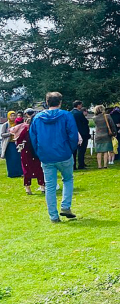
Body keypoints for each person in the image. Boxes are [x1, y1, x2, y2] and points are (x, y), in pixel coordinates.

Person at [29, 92, 79, 223]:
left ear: (46, 102)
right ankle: (65, 206)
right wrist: (70, 149)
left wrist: (38, 153)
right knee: (68, 179)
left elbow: (33, 138)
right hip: (64, 154)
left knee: (50, 186)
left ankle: (53, 216)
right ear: (60, 102)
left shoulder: (37, 118)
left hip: (46, 156)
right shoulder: (66, 115)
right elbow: (73, 135)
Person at [14, 110, 45, 194]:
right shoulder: (36, 126)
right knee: (37, 167)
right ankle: (41, 186)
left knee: (28, 168)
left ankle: (29, 188)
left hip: (29, 149)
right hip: (34, 149)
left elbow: (18, 139)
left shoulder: (24, 127)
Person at [2, 111, 23, 178]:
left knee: (18, 158)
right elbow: (2, 134)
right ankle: (12, 173)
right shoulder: (5, 124)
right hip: (9, 144)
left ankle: (19, 172)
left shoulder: (17, 124)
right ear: (8, 116)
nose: (13, 117)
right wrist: (10, 134)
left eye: (14, 116)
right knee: (11, 159)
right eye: (11, 116)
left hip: (16, 143)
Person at [71, 101, 90, 169]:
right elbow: (85, 122)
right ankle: (81, 164)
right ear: (78, 105)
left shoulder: (71, 113)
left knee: (74, 151)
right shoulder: (79, 113)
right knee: (81, 150)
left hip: (73, 133)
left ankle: (73, 165)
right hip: (82, 133)